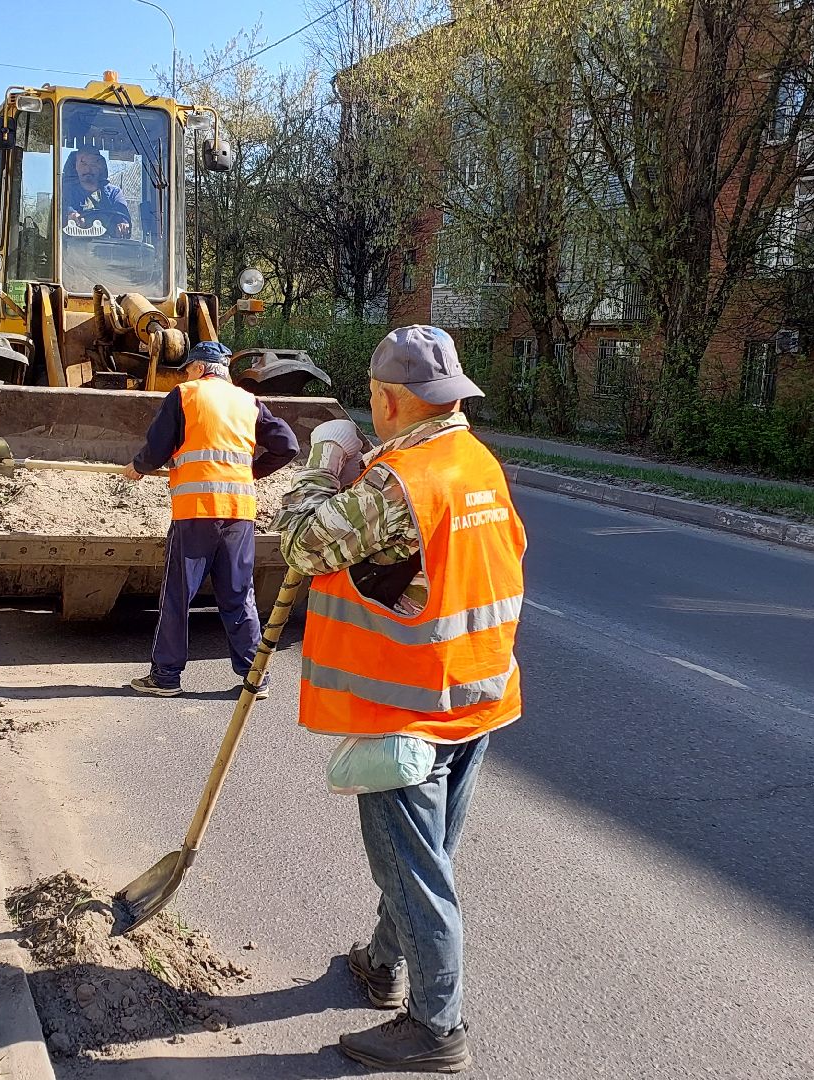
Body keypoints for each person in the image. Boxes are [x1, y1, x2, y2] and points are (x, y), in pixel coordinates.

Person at [274, 325, 526, 1074]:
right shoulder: (474, 462)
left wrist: (325, 460)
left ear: (389, 398)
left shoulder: (397, 483)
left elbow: (299, 542)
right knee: (426, 861)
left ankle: (437, 1028)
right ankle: (383, 964)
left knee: (417, 876)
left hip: (407, 710)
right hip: (474, 696)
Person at [123, 341, 299, 697]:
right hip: (239, 515)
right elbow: (289, 445)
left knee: (178, 595)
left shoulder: (186, 394)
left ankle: (166, 677)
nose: (186, 374)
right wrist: (250, 472)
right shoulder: (248, 402)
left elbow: (158, 448)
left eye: (188, 368)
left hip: (197, 512)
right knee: (238, 594)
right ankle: (255, 677)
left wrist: (138, 467)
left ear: (200, 369)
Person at [61, 148, 133, 238]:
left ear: (100, 167)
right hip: (68, 248)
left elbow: (122, 214)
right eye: (83, 163)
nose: (88, 169)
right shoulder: (65, 191)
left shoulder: (114, 193)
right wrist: (71, 214)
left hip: (110, 248)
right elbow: (63, 207)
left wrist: (123, 224)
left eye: (93, 164)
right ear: (75, 166)